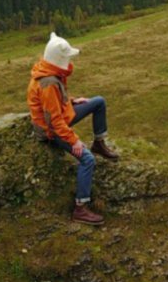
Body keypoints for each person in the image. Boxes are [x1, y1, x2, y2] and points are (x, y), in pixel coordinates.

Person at [27, 32, 120, 225]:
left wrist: (71, 101)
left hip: (60, 118)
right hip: (51, 131)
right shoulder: (48, 83)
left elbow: (52, 105)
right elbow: (54, 122)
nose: (69, 61)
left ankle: (99, 143)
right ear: (59, 58)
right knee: (87, 159)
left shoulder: (47, 71)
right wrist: (74, 140)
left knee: (98, 102)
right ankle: (80, 208)